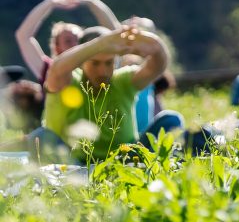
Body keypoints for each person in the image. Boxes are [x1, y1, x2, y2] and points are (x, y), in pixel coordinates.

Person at [21, 24, 179, 163]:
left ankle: (169, 168)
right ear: (82, 62)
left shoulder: (123, 81)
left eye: (109, 63)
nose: (102, 71)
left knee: (171, 119)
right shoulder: (67, 82)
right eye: (95, 63)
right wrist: (100, 44)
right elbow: (56, 69)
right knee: (40, 136)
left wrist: (155, 44)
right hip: (72, 165)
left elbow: (157, 66)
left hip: (125, 162)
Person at [15, 0, 119, 83]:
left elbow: (117, 34)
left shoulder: (102, 68)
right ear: (57, 47)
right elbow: (23, 36)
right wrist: (50, 2)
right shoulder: (50, 71)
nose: (75, 44)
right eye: (68, 41)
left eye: (78, 39)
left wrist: (90, 0)